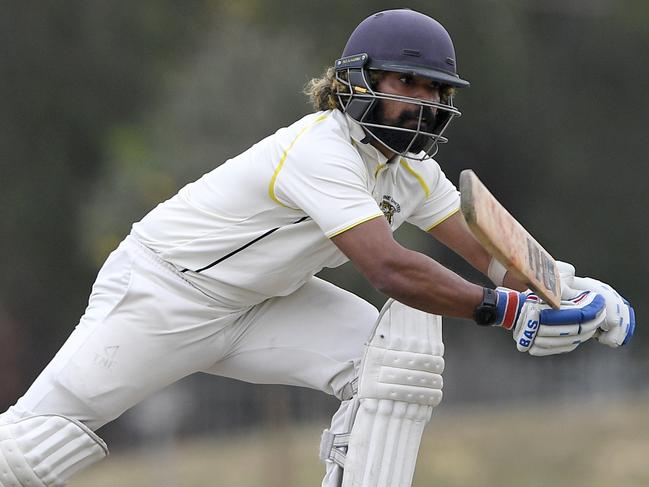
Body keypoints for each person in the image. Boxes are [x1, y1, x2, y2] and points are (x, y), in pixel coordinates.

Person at [0, 8, 634, 487]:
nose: (423, 102)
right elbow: (386, 266)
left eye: (435, 89)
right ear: (357, 83)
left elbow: (495, 256)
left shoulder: (411, 172)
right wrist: (506, 310)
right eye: (406, 83)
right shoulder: (320, 150)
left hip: (266, 305)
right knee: (31, 449)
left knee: (396, 366)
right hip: (165, 292)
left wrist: (570, 291)